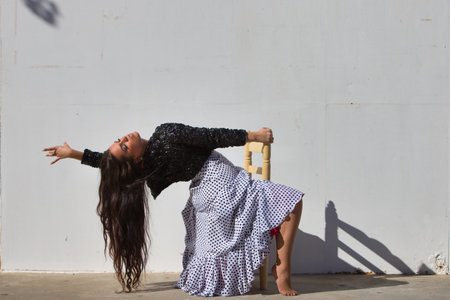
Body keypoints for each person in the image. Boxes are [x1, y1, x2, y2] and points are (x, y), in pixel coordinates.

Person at [43, 123, 303, 296]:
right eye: (123, 145)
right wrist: (254, 136)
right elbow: (211, 137)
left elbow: (109, 162)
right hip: (220, 182)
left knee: (268, 207)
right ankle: (282, 271)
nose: (124, 138)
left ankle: (270, 269)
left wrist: (74, 153)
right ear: (134, 159)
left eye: (118, 140)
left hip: (203, 193)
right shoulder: (165, 135)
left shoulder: (144, 166)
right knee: (291, 202)